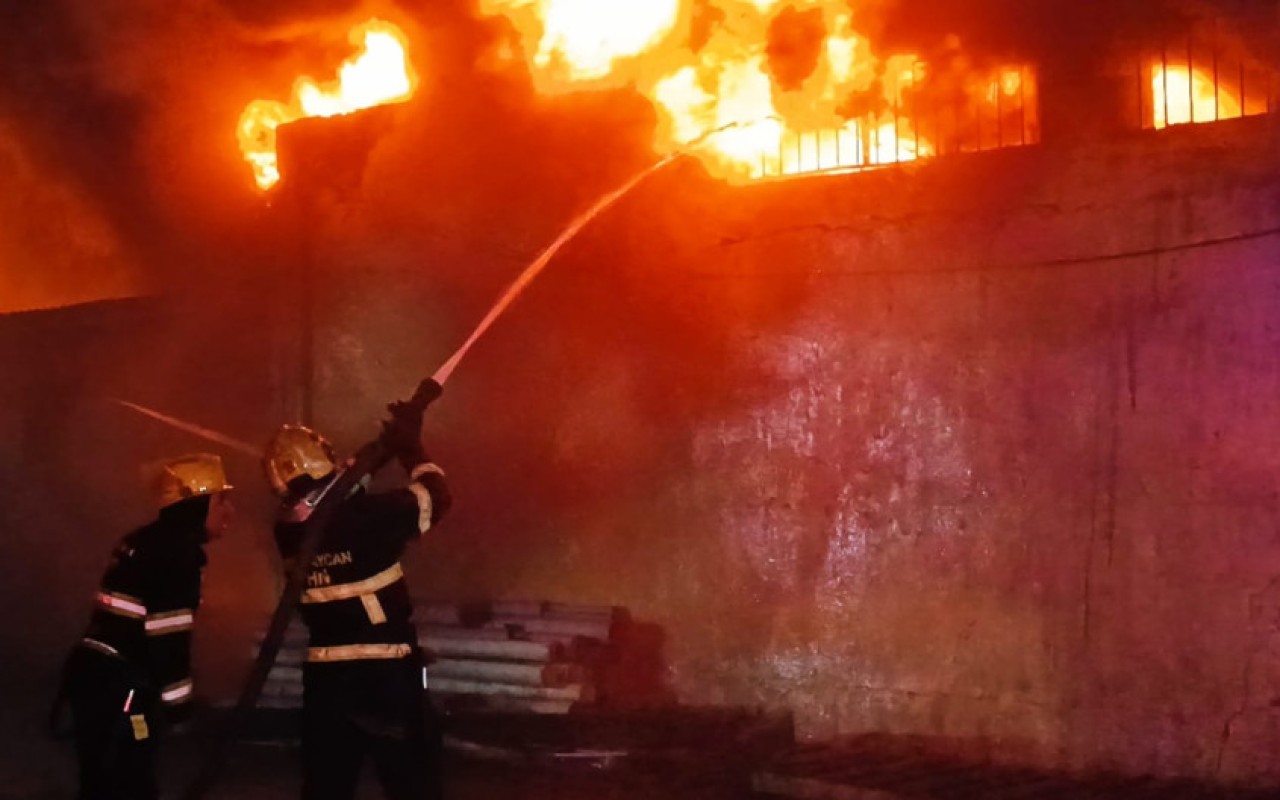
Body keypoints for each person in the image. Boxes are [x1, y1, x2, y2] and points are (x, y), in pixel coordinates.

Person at [263, 400, 450, 800]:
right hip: (384, 677)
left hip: (326, 682)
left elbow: (340, 491)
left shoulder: (289, 532)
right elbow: (437, 496)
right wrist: (411, 449)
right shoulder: (368, 518)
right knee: (413, 784)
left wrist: (379, 450)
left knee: (327, 786)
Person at [57, 453, 234, 800]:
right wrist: (180, 710)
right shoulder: (176, 555)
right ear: (195, 505)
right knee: (130, 782)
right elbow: (168, 640)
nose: (229, 511)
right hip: (122, 687)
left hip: (95, 676)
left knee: (100, 781)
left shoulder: (145, 541)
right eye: (220, 501)